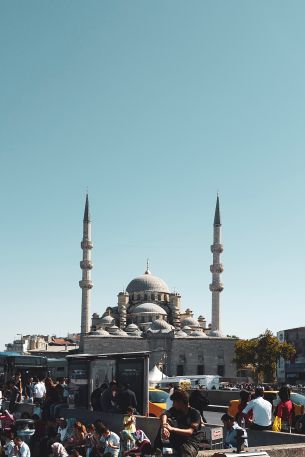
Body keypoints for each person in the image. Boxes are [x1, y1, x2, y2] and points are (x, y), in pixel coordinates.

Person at [160, 389, 202, 457]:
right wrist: (165, 427)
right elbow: (164, 414)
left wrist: (171, 429)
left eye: (174, 402)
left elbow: (190, 432)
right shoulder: (175, 410)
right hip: (177, 440)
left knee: (185, 453)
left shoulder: (194, 413)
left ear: (181, 402)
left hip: (190, 442)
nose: (173, 404)